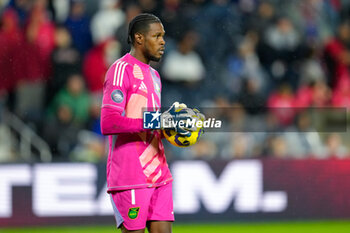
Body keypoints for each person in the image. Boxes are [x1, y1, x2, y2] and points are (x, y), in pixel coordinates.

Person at [100, 13, 197, 233]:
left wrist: (174, 128)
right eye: (157, 36)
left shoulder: (154, 75)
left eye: (163, 36)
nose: (163, 41)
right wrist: (158, 120)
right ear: (139, 38)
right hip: (130, 174)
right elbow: (109, 122)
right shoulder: (120, 70)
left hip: (159, 172)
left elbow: (149, 124)